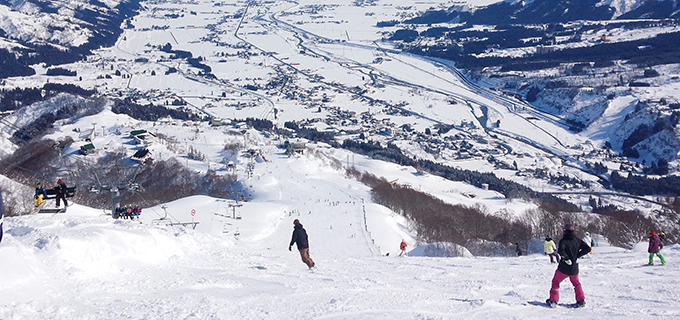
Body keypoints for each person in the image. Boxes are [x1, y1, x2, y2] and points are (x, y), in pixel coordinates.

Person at [546, 224, 591, 308]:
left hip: (564, 267)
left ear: (565, 231)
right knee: (576, 284)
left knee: (556, 282)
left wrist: (566, 258)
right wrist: (578, 256)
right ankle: (581, 301)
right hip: (574, 267)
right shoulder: (577, 240)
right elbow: (587, 248)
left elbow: (561, 251)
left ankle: (553, 301)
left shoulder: (563, 241)